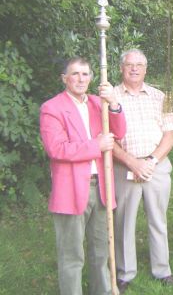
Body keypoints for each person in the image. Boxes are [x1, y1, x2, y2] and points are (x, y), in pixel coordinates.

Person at [40, 57, 126, 295]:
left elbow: (118, 132)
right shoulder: (52, 108)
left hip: (102, 188)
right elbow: (56, 149)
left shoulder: (98, 103)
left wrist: (115, 103)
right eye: (75, 74)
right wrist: (95, 145)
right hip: (71, 191)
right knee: (72, 255)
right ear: (64, 78)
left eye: (85, 74)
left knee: (101, 251)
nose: (80, 79)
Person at [111, 49, 173, 294]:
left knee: (158, 220)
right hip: (124, 168)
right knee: (124, 222)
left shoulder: (159, 96)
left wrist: (150, 161)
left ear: (146, 68)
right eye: (129, 64)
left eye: (139, 64)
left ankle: (162, 270)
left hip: (156, 167)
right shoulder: (111, 98)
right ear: (121, 68)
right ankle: (125, 273)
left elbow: (170, 135)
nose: (134, 69)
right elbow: (107, 139)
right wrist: (132, 162)